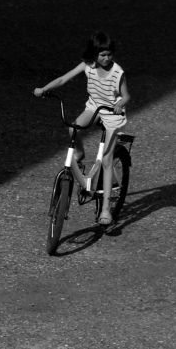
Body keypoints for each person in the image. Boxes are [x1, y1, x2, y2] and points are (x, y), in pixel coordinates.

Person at [33, 31, 131, 225]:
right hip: (94, 107)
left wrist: (120, 104)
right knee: (73, 129)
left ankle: (105, 210)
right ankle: (79, 153)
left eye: (109, 54)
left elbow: (126, 95)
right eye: (102, 55)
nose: (107, 58)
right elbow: (63, 79)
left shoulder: (117, 72)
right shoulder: (88, 66)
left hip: (112, 113)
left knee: (106, 161)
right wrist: (44, 89)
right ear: (94, 54)